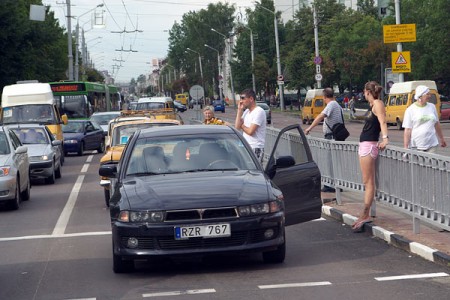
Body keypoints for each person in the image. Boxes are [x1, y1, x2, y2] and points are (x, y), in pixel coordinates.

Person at [352, 81, 389, 232]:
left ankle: (365, 215)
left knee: (369, 183)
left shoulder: (378, 104)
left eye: (364, 93)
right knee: (367, 182)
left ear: (367, 92)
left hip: (369, 146)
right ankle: (364, 214)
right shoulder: (373, 105)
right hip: (366, 145)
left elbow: (383, 121)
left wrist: (385, 138)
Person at [304, 87, 344, 193]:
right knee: (335, 161)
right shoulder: (337, 105)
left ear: (324, 97)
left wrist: (309, 128)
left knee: (329, 161)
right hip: (336, 136)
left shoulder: (331, 105)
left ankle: (330, 185)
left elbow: (320, 117)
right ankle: (338, 184)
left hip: (331, 137)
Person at [402, 85, 447, 153]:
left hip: (432, 143)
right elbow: (407, 129)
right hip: (416, 145)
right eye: (427, 94)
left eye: (430, 94)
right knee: (418, 164)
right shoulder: (410, 110)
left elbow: (436, 124)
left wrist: (442, 139)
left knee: (430, 163)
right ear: (420, 96)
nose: (430, 96)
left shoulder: (432, 107)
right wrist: (406, 147)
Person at [235, 89, 266, 164]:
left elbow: (250, 131)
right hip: (246, 146)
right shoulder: (246, 112)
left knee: (255, 172)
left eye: (243, 98)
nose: (241, 101)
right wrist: (239, 110)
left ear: (251, 99)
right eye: (240, 98)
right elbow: (236, 127)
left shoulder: (259, 111)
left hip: (255, 147)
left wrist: (241, 125)